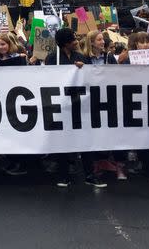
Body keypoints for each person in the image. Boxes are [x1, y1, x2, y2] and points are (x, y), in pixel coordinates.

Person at [46, 28, 106, 189]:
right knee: (62, 142)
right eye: (73, 39)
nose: (76, 41)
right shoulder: (53, 59)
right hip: (62, 106)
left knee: (85, 141)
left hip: (80, 106)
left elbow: (89, 79)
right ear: (65, 42)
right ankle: (63, 175)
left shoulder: (80, 57)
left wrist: (83, 69)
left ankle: (89, 175)